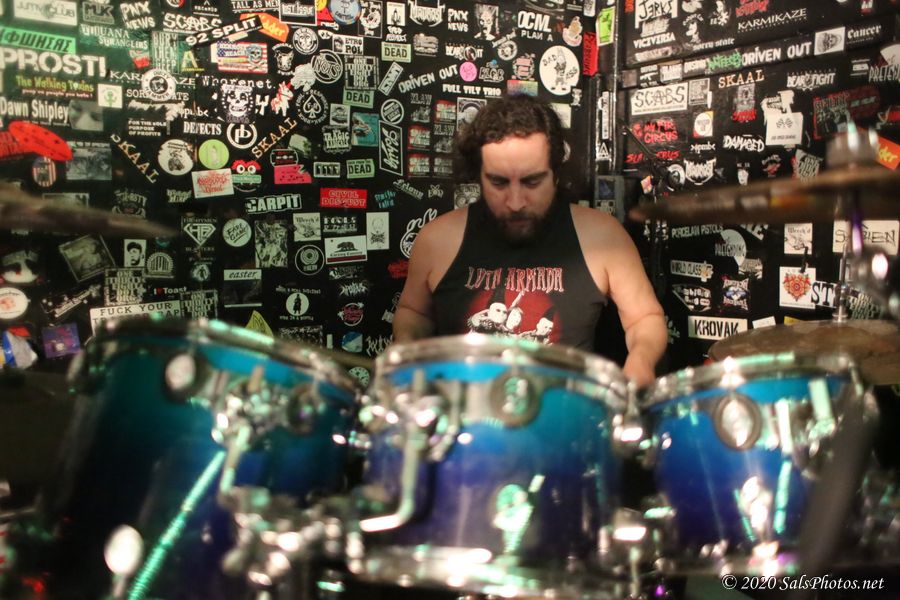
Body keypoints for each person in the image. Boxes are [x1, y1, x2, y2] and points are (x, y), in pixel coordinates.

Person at [393, 94, 666, 386]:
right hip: (464, 406)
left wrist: (641, 361)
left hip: (565, 406)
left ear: (556, 174)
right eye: (498, 182)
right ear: (478, 176)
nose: (515, 202)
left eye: (532, 182)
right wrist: (407, 348)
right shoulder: (437, 239)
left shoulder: (603, 237)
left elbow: (644, 317)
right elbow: (414, 312)